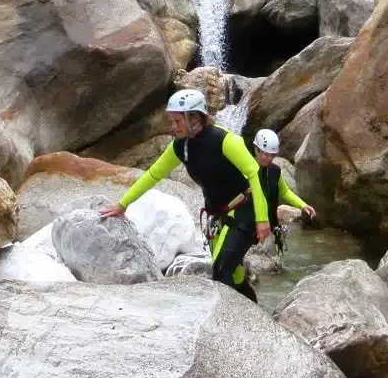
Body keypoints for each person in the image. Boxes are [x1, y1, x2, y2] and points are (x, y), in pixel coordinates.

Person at [100, 89, 270, 301]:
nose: (173, 127)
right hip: (217, 216)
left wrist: (263, 219)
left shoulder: (226, 140)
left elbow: (254, 173)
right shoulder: (180, 147)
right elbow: (153, 174)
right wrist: (122, 204)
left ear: (195, 118)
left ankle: (229, 322)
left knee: (221, 270)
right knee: (233, 273)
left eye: (177, 121)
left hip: (244, 211)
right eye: (172, 121)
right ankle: (253, 311)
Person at [250, 129, 317, 250]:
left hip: (272, 224)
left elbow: (285, 191)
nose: (269, 158)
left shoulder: (275, 171)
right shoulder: (248, 171)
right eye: (266, 154)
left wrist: (302, 205)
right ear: (256, 150)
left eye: (272, 155)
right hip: (250, 225)